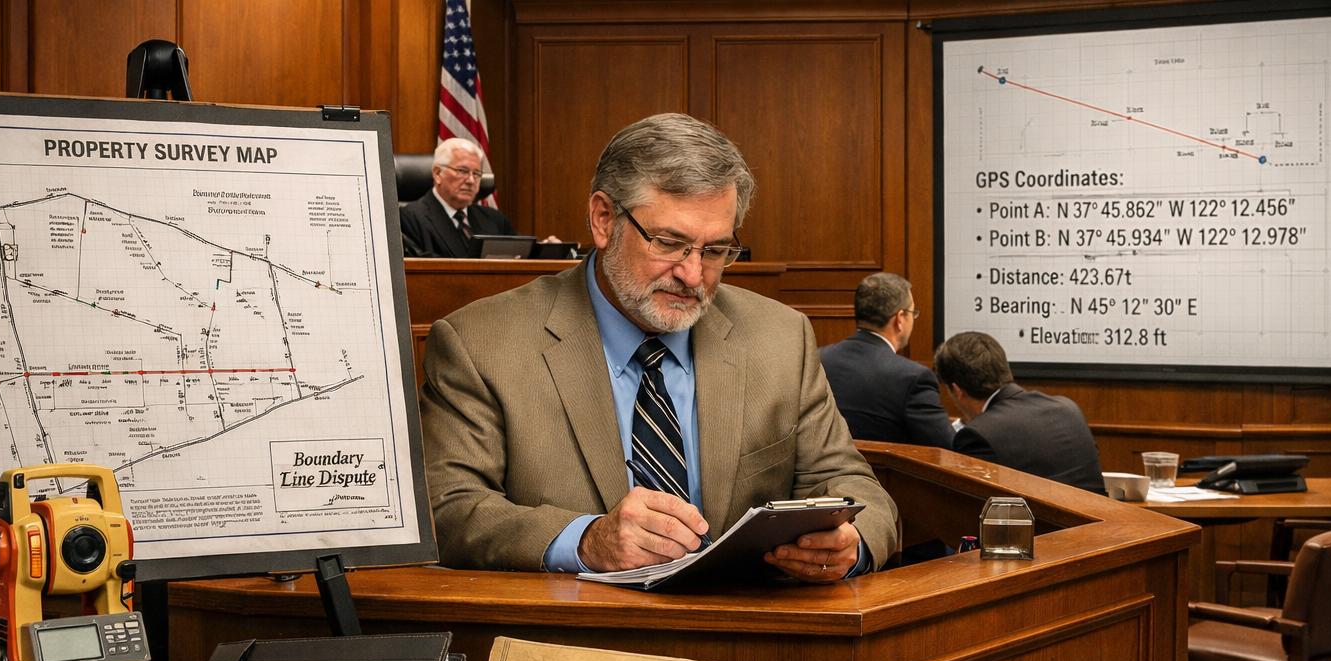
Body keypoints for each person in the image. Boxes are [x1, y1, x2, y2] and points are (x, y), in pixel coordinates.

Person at [419, 113, 898, 581]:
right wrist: (586, 541)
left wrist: (849, 545)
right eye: (669, 243)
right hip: (573, 643)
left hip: (748, 635)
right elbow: (451, 508)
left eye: (714, 251)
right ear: (603, 219)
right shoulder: (480, 344)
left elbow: (856, 487)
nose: (692, 275)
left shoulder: (779, 336)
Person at [932, 331, 1106, 494]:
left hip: (1047, 527)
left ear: (958, 391)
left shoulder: (979, 436)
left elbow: (967, 507)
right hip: (1105, 523)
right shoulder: (1068, 408)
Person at [818, 273, 954, 449]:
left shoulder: (818, 359)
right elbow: (948, 450)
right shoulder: (914, 378)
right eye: (913, 313)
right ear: (899, 319)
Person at [398, 138, 515, 258]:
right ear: (438, 173)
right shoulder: (407, 220)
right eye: (462, 171)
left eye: (476, 174)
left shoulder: (495, 220)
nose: (471, 180)